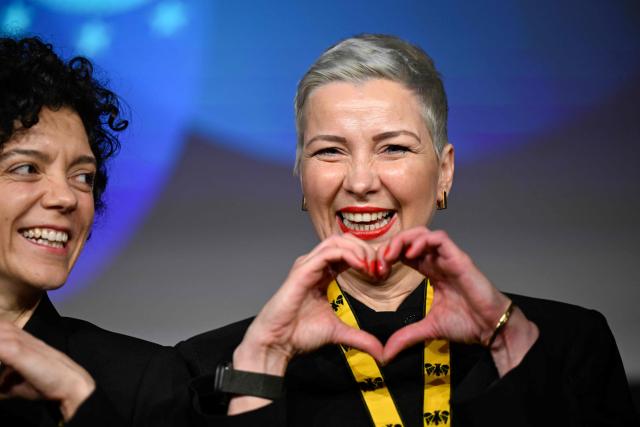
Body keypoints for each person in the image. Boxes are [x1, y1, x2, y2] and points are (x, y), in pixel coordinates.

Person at [179, 34, 639, 426]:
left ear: (444, 173)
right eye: (330, 152)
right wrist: (265, 360)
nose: (360, 181)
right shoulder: (214, 365)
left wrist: (506, 342)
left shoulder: (567, 342)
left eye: (393, 148)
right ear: (302, 178)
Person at [0, 36, 193, 427]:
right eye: (27, 168)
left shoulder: (144, 380)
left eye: (83, 176)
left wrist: (78, 398)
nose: (66, 197)